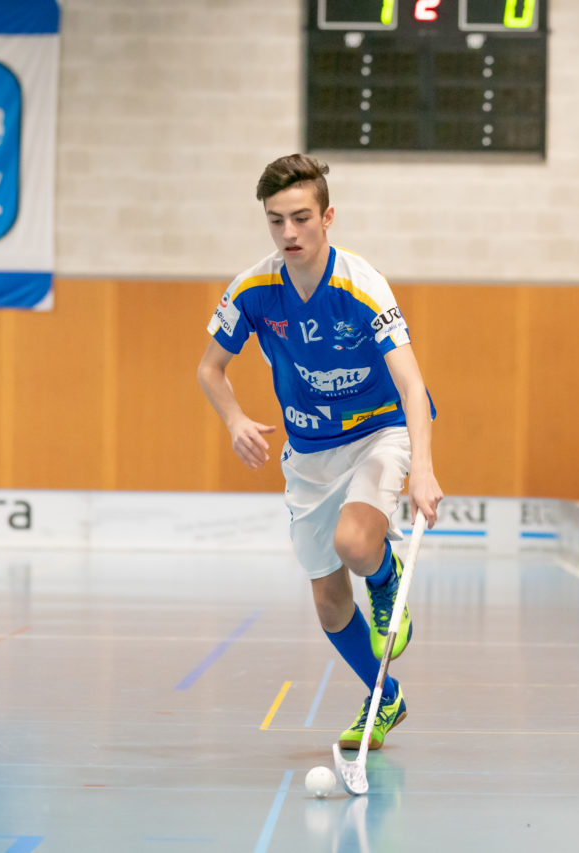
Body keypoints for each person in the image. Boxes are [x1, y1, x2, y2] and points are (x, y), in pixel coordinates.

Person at [196, 154, 442, 753]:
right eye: (276, 221)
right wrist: (233, 420)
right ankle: (384, 697)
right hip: (309, 453)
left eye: (301, 218)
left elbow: (411, 384)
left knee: (356, 544)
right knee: (330, 605)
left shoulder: (362, 285)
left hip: (379, 431)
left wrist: (425, 471)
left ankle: (386, 581)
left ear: (327, 217)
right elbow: (209, 369)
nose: (289, 233)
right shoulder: (254, 288)